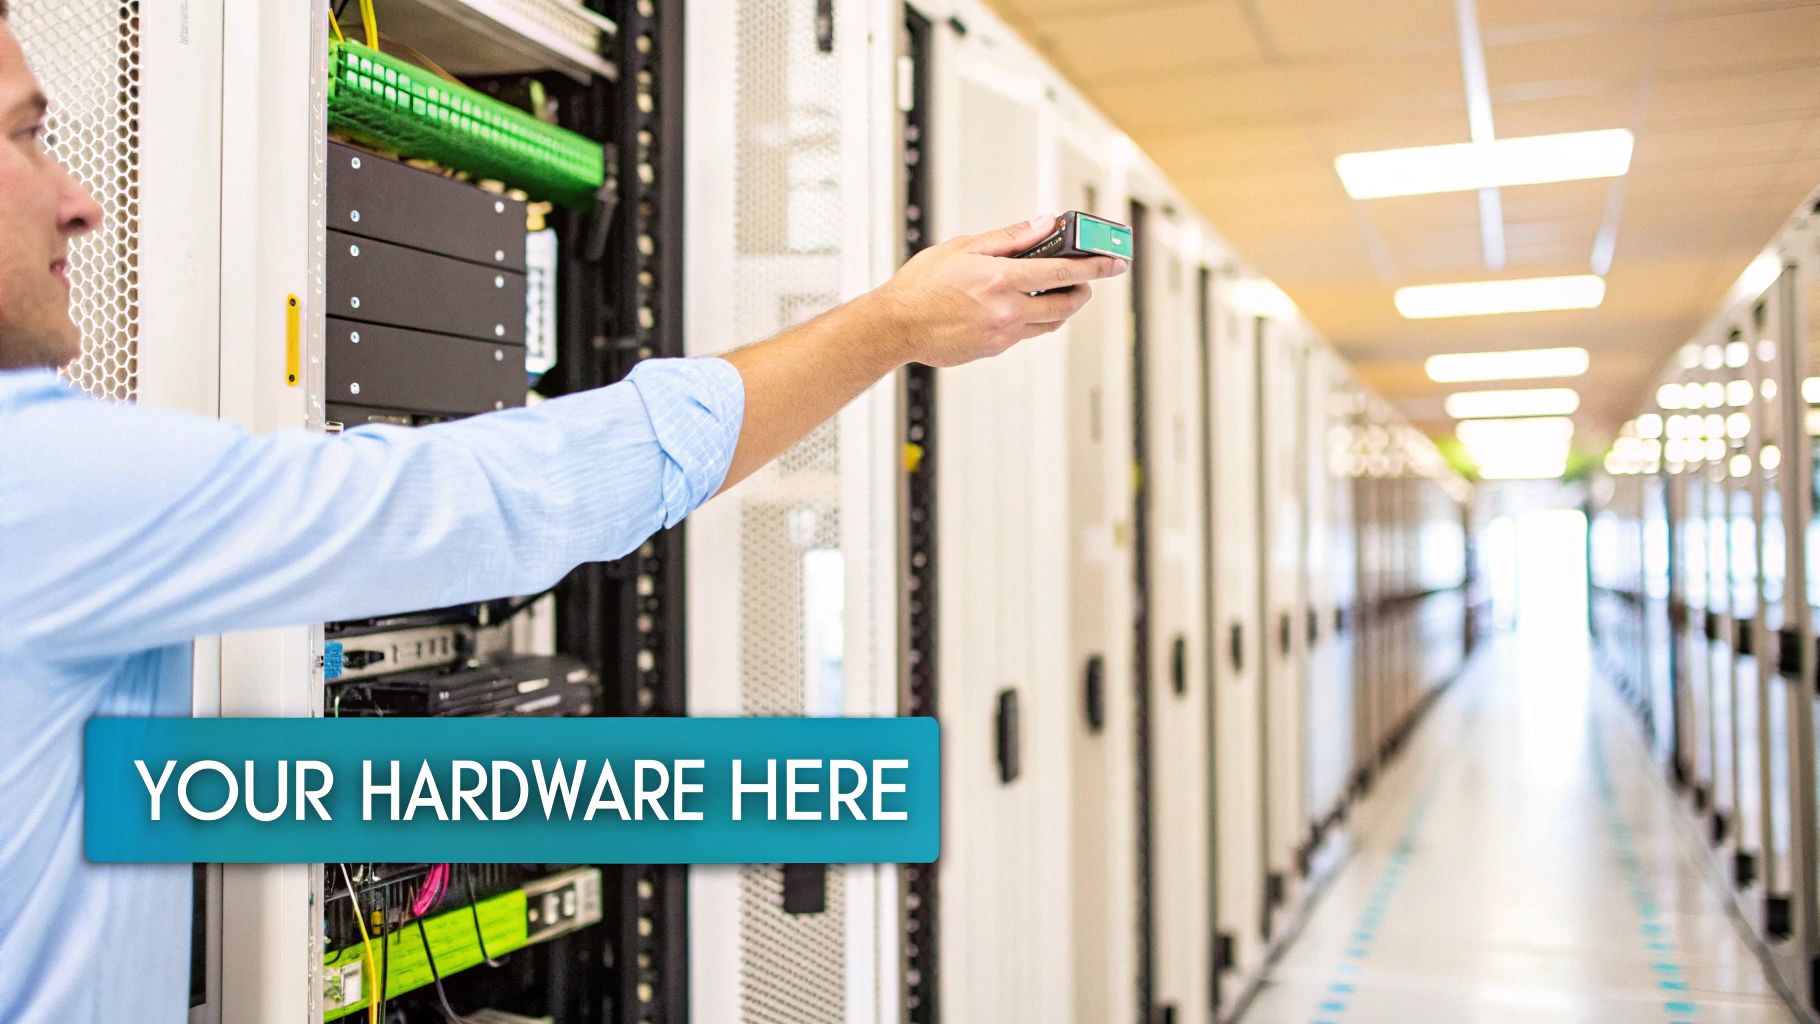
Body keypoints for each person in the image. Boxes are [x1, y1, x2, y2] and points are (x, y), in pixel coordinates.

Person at [0, 4, 1125, 1021]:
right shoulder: (40, 479)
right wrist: (886, 326)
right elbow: (476, 501)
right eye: (22, 136)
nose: (77, 193)